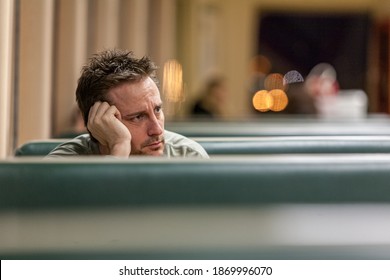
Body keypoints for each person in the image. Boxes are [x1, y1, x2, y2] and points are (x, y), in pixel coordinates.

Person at [47, 49, 209, 158]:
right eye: (138, 117)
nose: (157, 129)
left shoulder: (188, 155)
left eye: (157, 109)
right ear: (100, 120)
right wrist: (119, 146)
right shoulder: (62, 164)